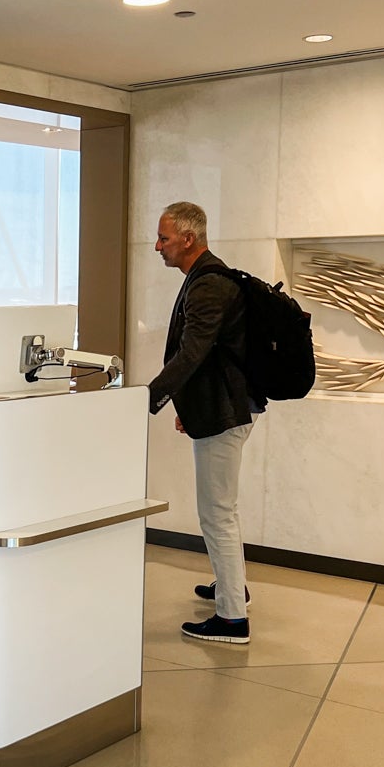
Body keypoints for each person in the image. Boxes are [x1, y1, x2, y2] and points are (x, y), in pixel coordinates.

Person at [146, 201, 256, 645]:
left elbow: (191, 354)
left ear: (188, 239)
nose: (158, 246)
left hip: (223, 414)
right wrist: (186, 408)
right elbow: (205, 359)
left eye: (164, 238)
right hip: (219, 409)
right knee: (223, 511)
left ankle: (232, 619)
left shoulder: (208, 285)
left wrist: (146, 399)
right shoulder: (206, 277)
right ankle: (233, 589)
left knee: (217, 516)